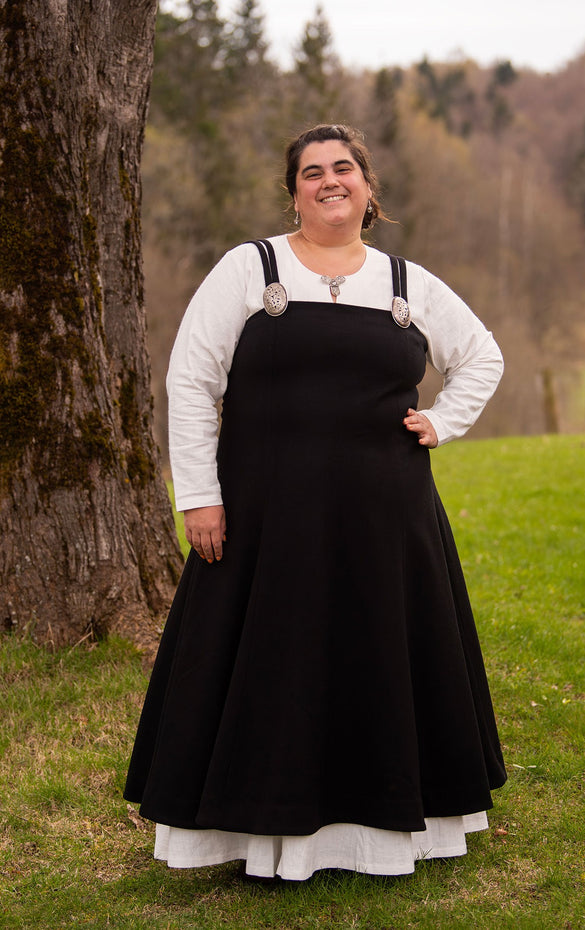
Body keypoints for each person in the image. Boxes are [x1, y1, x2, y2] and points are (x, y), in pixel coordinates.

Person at [124, 123, 507, 881]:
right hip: (269, 518)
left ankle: (385, 830)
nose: (330, 180)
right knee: (276, 663)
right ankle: (258, 830)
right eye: (312, 172)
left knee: (381, 660)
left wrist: (442, 420)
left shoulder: (407, 283)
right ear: (293, 191)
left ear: (367, 186)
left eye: (343, 168)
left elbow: (482, 356)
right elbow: (192, 381)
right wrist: (198, 497)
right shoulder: (250, 268)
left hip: (387, 519)